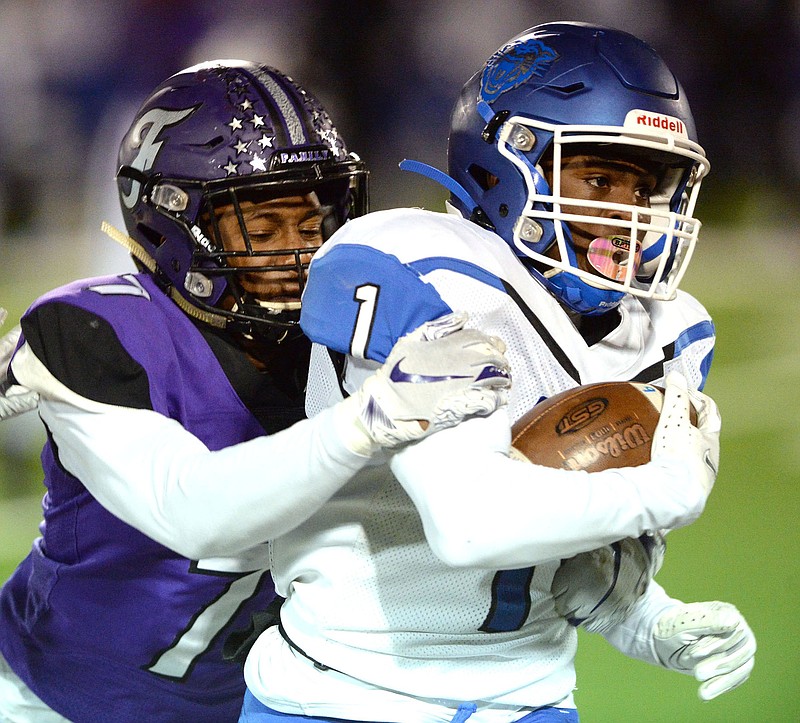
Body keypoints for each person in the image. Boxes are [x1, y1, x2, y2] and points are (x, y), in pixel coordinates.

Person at [238, 22, 756, 722]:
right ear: (506, 163)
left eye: (643, 190)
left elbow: (567, 568)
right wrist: (661, 490)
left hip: (531, 701)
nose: (626, 217)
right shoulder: (416, 270)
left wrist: (645, 617)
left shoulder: (668, 332)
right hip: (341, 694)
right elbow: (470, 525)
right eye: (599, 178)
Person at [0, 61, 510, 722]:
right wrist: (369, 420)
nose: (301, 255)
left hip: (256, 702)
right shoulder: (101, 336)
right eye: (263, 230)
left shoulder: (352, 338)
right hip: (55, 697)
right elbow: (192, 511)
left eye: (315, 220)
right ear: (172, 223)